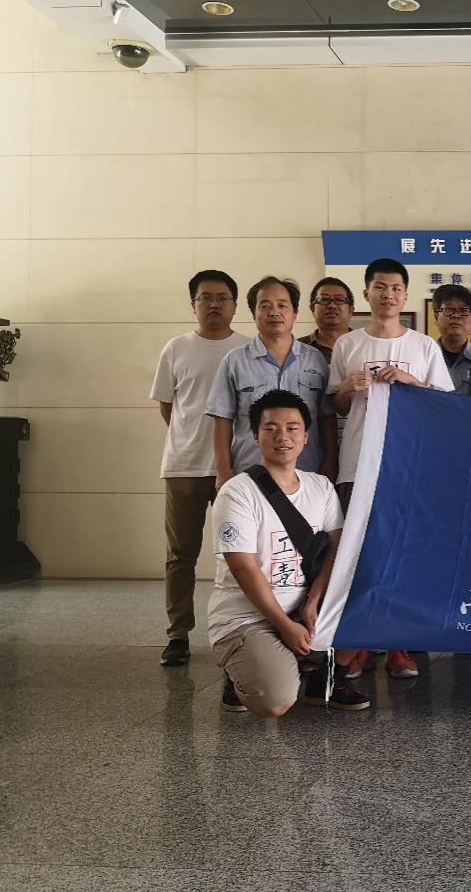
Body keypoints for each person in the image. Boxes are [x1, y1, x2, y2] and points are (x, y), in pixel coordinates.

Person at [328, 258, 453, 681]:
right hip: (357, 461)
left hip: (407, 466)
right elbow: (335, 406)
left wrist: (410, 382)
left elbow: (444, 405)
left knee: (402, 552)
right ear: (366, 293)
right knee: (357, 552)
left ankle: (398, 643)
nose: (388, 294)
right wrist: (348, 387)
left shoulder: (424, 346)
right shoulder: (348, 344)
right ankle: (359, 644)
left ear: (406, 295)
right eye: (380, 287)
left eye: (396, 288)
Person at [209, 389, 368, 715]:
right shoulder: (237, 492)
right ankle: (242, 666)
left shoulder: (321, 487)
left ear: (306, 436)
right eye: (271, 429)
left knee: (373, 594)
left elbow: (336, 548)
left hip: (302, 609)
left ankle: (325, 678)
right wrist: (284, 625)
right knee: (276, 702)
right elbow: (243, 568)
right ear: (256, 437)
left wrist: (313, 601)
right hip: (249, 617)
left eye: (293, 428)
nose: (283, 436)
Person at [150, 271, 250, 667]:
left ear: (234, 305)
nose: (214, 304)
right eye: (206, 297)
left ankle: (243, 630)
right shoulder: (176, 348)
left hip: (237, 468)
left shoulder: (248, 348)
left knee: (241, 553)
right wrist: (191, 439)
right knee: (181, 554)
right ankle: (178, 635)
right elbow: (168, 406)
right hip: (184, 467)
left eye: (222, 297)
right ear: (193, 304)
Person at [206, 276, 335, 488]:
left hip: (306, 472)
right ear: (254, 314)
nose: (274, 312)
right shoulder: (235, 360)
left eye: (282, 305)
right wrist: (223, 470)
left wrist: (330, 460)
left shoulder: (315, 359)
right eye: (265, 306)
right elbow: (222, 419)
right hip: (250, 473)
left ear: (294, 313)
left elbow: (326, 416)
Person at [432, 284, 471, 396]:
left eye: (463, 310)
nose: (456, 315)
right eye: (448, 309)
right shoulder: (423, 357)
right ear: (436, 317)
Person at [298, 277, 355, 363]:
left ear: (351, 310)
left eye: (339, 299)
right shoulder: (296, 349)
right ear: (313, 309)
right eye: (324, 299)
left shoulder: (366, 345)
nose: (332, 305)